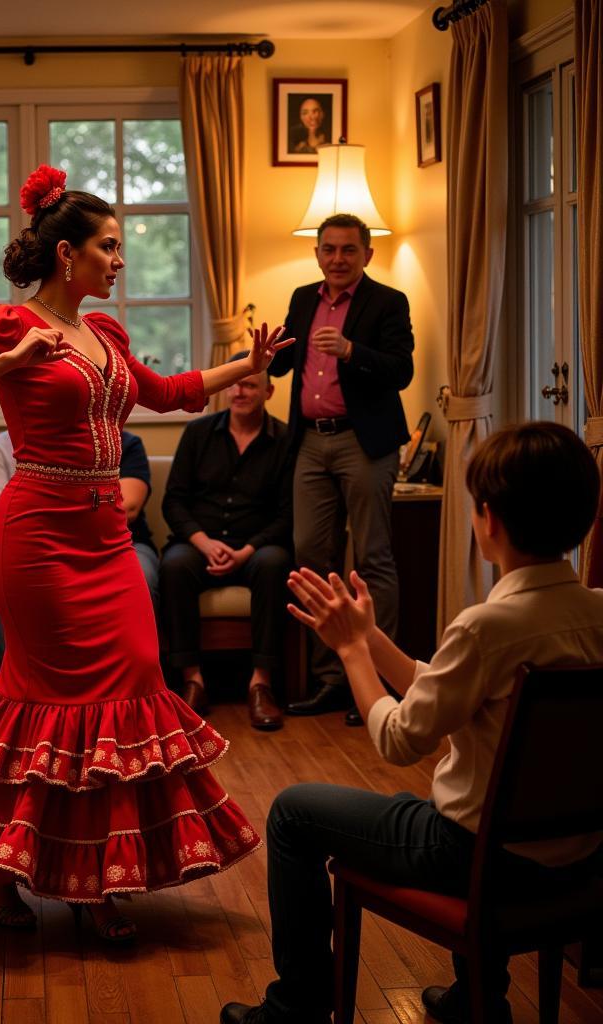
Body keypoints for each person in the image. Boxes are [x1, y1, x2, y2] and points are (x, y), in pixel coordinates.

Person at [0, 164, 293, 943]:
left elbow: (166, 394)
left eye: (121, 247)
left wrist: (247, 367)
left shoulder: (108, 335)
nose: (120, 260)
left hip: (106, 540)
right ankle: (10, 870)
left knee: (131, 682)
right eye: (110, 245)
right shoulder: (4, 324)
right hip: (35, 539)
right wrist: (7, 363)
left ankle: (96, 871)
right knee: (46, 704)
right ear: (69, 254)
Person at [220, 422, 603, 1024]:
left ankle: (295, 1007)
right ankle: (478, 1000)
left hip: (471, 857)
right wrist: (371, 637)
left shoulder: (487, 627)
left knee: (293, 812)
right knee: (459, 801)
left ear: (489, 520)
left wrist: (349, 654)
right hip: (576, 858)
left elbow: (400, 740)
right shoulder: (594, 616)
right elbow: (452, 692)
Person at [268, 212, 414, 726]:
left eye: (348, 250)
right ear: (317, 254)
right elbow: (284, 362)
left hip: (364, 443)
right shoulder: (303, 298)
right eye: (328, 249)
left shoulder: (388, 302)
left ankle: (378, 682)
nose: (337, 259)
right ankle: (333, 677)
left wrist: (352, 350)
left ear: (367, 255)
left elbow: (402, 369)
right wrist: (260, 358)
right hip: (309, 443)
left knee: (372, 558)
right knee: (311, 556)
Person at [160, 355, 293, 730]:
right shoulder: (198, 433)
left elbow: (288, 513)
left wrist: (246, 551)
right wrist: (202, 542)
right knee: (173, 565)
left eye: (251, 384)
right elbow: (174, 500)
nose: (240, 390)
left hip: (256, 546)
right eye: (235, 383)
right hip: (200, 543)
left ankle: (261, 685)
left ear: (268, 391)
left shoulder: (285, 440)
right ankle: (192, 680)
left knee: (274, 563)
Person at [0, 426, 161, 665]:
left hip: (115, 543)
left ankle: (128, 674)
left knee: (142, 576)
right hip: (36, 546)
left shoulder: (124, 442)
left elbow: (129, 506)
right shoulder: (2, 446)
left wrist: (54, 519)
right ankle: (19, 677)